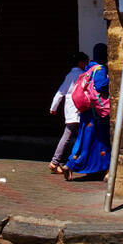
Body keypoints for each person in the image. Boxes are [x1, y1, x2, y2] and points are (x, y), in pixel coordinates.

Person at [64, 43, 110, 181]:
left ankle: (70, 165)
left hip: (86, 111)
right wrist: (110, 78)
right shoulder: (100, 68)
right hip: (96, 112)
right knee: (102, 141)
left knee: (83, 139)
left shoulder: (89, 68)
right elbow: (100, 85)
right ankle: (108, 170)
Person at [49, 52, 89, 175]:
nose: (87, 64)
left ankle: (61, 162)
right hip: (79, 111)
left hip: (71, 111)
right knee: (76, 137)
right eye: (86, 61)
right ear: (81, 62)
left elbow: (60, 92)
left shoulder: (70, 75)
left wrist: (53, 107)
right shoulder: (82, 75)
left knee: (72, 137)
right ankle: (56, 162)